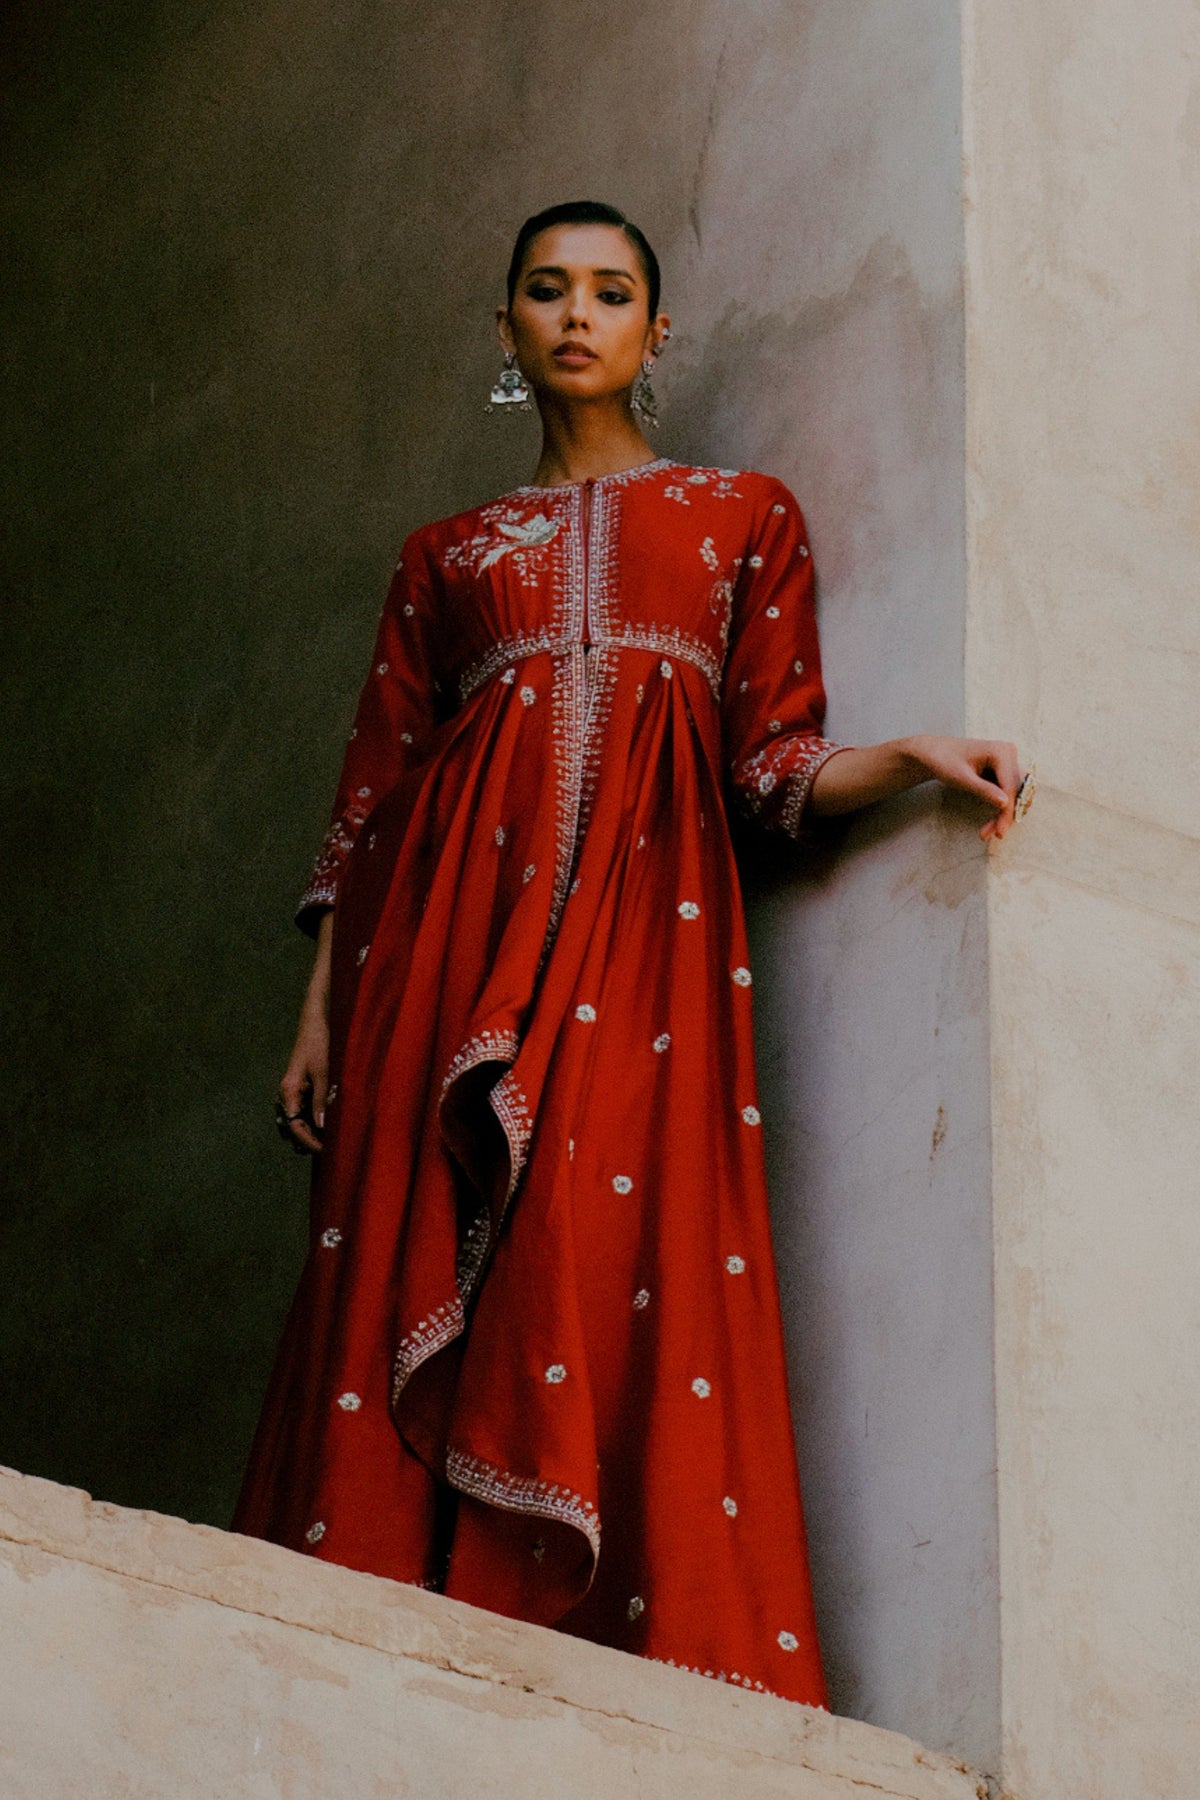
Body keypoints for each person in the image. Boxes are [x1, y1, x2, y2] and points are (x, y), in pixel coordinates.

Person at [233, 200, 1029, 1709]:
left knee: (611, 1250)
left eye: (612, 292)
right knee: (413, 1241)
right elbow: (371, 803)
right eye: (547, 290)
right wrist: (320, 1009)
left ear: (658, 332)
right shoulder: (446, 555)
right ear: (507, 331)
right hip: (443, 952)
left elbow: (770, 766)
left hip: (649, 960)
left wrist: (914, 754)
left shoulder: (743, 516)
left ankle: (610, 1655)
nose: (578, 314)